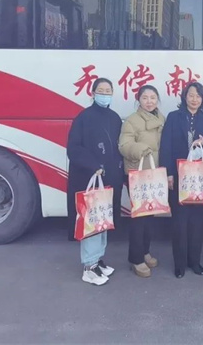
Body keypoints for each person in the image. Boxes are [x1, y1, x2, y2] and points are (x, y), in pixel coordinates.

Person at [67, 77, 125, 286]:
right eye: (101, 90)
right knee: (91, 222)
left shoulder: (114, 117)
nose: (105, 94)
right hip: (89, 178)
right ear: (93, 93)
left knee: (103, 220)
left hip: (109, 179)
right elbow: (74, 149)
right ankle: (89, 267)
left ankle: (98, 259)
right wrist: (94, 165)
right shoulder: (83, 118)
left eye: (108, 91)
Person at [159, 82, 203, 279]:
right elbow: (166, 145)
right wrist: (168, 173)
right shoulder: (174, 117)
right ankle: (180, 264)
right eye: (191, 95)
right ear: (184, 97)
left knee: (197, 222)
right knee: (179, 222)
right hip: (178, 175)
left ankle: (195, 262)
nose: (194, 99)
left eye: (198, 96)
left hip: (199, 178)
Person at [119, 85, 165, 278]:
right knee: (139, 218)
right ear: (138, 100)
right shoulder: (132, 120)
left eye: (153, 97)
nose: (149, 101)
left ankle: (145, 251)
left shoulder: (161, 118)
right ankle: (136, 259)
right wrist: (141, 149)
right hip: (138, 175)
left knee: (149, 216)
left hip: (154, 174)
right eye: (145, 98)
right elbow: (124, 145)